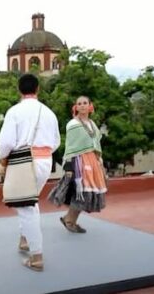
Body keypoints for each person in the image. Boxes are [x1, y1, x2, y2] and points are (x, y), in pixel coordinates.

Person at [0, 74, 60, 271]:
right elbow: (56, 142)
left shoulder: (14, 111)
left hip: (23, 162)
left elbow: (6, 143)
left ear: (19, 90)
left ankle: (37, 256)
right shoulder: (49, 112)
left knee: (26, 207)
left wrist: (2, 158)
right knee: (30, 202)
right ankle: (25, 240)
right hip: (45, 162)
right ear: (38, 89)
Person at [49, 96, 108, 233]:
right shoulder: (73, 124)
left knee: (86, 194)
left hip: (92, 160)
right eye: (79, 104)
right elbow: (70, 146)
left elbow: (96, 144)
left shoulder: (92, 124)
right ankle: (69, 220)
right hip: (79, 160)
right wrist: (69, 166)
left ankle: (70, 220)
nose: (82, 106)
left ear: (90, 106)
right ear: (76, 107)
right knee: (81, 192)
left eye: (85, 103)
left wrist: (100, 162)